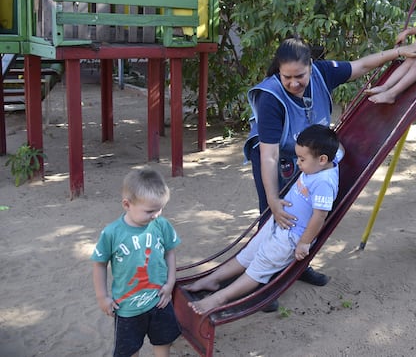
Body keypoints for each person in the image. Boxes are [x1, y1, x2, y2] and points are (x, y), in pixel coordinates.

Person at [245, 35, 416, 287]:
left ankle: (298, 266)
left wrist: (399, 52)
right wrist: (272, 200)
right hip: (277, 158)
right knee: (275, 217)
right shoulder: (271, 97)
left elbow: (361, 66)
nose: (293, 83)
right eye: (286, 77)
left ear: (311, 66)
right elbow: (269, 156)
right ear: (279, 70)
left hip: (309, 155)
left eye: (300, 76)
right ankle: (261, 278)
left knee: (306, 212)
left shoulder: (322, 73)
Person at [186, 124, 340, 315]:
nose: (298, 163)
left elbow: (320, 216)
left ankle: (219, 298)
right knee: (248, 254)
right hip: (279, 222)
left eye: (302, 159)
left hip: (291, 237)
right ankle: (213, 280)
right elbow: (340, 150)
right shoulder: (325, 162)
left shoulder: (325, 182)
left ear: (323, 160)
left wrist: (304, 243)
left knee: (259, 267)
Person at [91, 167, 181, 357]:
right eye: (149, 211)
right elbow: (99, 264)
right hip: (127, 307)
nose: (156, 215)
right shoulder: (112, 233)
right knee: (129, 349)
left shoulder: (161, 224)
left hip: (159, 299)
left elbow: (170, 252)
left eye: (160, 209)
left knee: (163, 341)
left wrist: (170, 283)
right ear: (127, 204)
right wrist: (102, 297)